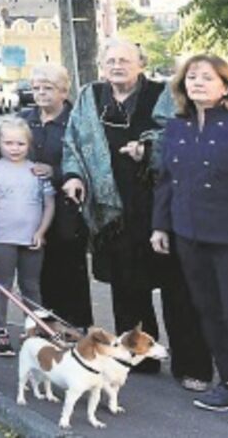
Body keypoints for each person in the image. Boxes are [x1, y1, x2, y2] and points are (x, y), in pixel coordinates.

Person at [62, 39, 212, 389]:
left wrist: (148, 148)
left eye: (125, 60)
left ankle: (192, 366)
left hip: (161, 204)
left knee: (177, 289)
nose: (117, 66)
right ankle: (139, 358)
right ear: (101, 65)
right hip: (112, 208)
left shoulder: (162, 93)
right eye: (111, 60)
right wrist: (72, 176)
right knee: (126, 287)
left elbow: (182, 135)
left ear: (141, 64)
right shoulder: (90, 96)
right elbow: (73, 142)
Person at [151, 54, 228, 428]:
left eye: (207, 77)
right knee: (209, 311)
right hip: (190, 236)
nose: (197, 83)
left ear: (227, 86)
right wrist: (160, 226)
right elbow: (167, 181)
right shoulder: (177, 128)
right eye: (191, 77)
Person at [0, 116, 56, 356]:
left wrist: (41, 232)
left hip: (32, 238)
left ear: (29, 144)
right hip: (1, 237)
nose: (14, 148)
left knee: (31, 285)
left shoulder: (37, 171)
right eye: (8, 143)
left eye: (20, 143)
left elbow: (49, 204)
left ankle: (33, 330)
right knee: (3, 284)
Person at [20, 63, 92, 329]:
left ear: (63, 91)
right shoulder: (24, 121)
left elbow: (88, 162)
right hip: (31, 208)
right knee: (36, 272)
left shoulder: (77, 121)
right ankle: (41, 327)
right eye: (36, 88)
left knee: (69, 270)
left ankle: (74, 328)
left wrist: (56, 171)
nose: (41, 93)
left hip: (66, 209)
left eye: (48, 88)